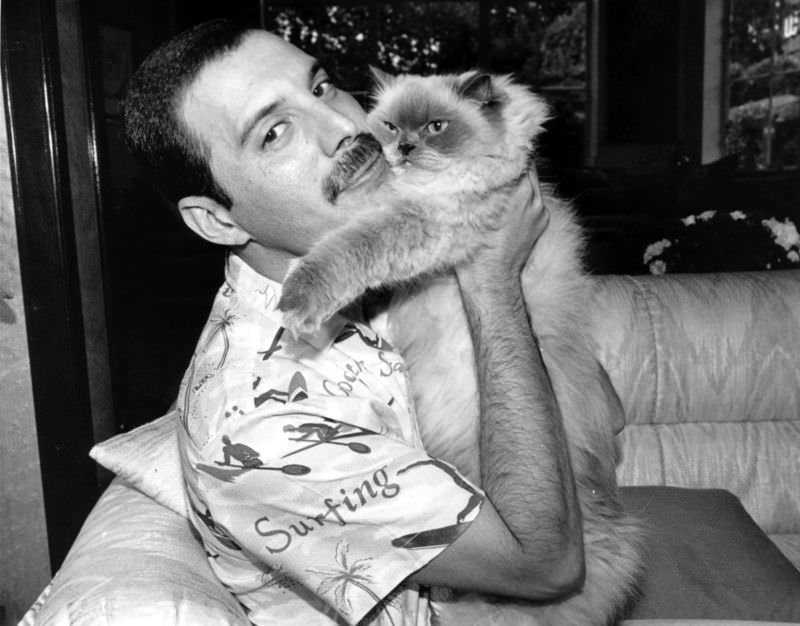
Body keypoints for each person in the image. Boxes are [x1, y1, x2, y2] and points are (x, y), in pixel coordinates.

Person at [122, 18, 583, 625]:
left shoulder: (372, 271)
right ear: (217, 221)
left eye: (320, 88)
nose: (347, 128)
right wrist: (492, 279)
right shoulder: (263, 432)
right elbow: (546, 565)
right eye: (275, 133)